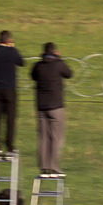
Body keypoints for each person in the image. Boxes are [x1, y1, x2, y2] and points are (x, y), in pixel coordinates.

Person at [30, 42, 73, 177]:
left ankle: (44, 167)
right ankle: (54, 167)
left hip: (41, 106)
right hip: (56, 105)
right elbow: (69, 74)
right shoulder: (58, 64)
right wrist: (59, 58)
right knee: (56, 137)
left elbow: (33, 76)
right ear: (55, 52)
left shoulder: (38, 66)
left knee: (43, 137)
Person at [0, 30, 24, 157]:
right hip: (10, 89)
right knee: (10, 119)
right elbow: (21, 62)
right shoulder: (12, 52)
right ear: (9, 41)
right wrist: (13, 48)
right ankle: (9, 146)